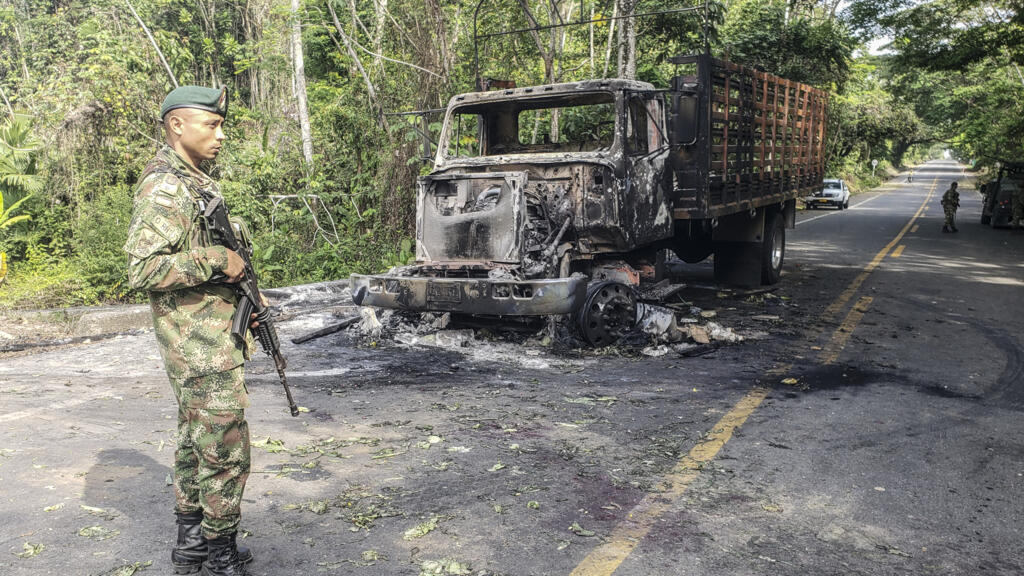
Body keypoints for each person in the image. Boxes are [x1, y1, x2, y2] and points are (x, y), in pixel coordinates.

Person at [123, 86, 256, 576]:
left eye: (221, 125)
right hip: (197, 345)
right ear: (176, 125)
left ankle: (194, 544)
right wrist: (219, 259)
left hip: (206, 338)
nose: (220, 134)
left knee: (195, 439)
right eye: (211, 124)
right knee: (224, 446)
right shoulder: (166, 187)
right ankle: (220, 555)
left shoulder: (193, 181)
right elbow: (144, 268)